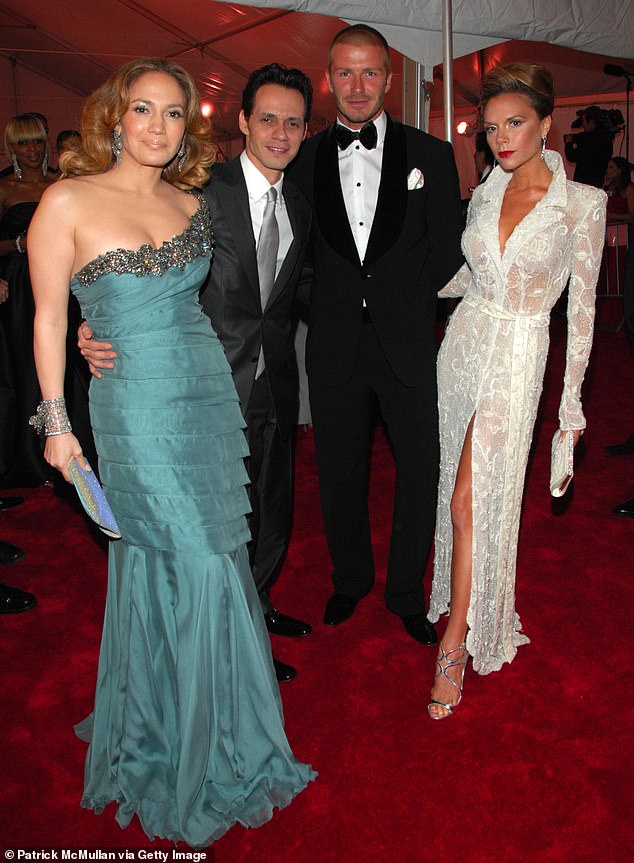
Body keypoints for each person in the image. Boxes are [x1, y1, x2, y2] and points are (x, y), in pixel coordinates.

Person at [28, 57, 314, 846]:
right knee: (191, 559)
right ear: (115, 115)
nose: (158, 127)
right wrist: (57, 423)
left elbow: (222, 301)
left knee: (216, 553)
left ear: (189, 124)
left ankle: (201, 724)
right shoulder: (67, 200)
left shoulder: (194, 203)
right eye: (144, 110)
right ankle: (187, 746)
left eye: (174, 113)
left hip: (205, 400)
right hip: (134, 411)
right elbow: (50, 318)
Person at [78, 63, 314, 683]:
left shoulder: (305, 205)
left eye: (293, 122)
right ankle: (221, 641)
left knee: (268, 502)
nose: (279, 132)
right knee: (208, 527)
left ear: (305, 131)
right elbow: (140, 269)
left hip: (274, 381)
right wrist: (95, 325)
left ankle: (255, 607)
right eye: (267, 117)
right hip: (200, 388)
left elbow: (305, 291)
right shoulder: (200, 192)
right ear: (242, 121)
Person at [427, 64, 606, 719]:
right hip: (466, 342)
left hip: (521, 351)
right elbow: (470, 274)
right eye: (492, 126)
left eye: (516, 123)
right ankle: (460, 599)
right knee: (456, 487)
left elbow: (582, 313)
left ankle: (459, 639)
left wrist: (572, 411)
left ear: (546, 122)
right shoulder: (485, 190)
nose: (501, 137)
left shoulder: (582, 205)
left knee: (471, 499)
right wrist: (399, 296)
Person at [287, 25, 464, 644]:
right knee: (338, 469)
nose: (357, 87)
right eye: (344, 73)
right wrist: (328, 302)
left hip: (408, 339)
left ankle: (406, 592)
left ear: (391, 79)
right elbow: (294, 257)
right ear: (327, 78)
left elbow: (447, 250)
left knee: (421, 467)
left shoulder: (433, 155)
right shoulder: (303, 159)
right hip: (334, 339)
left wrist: (403, 300)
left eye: (370, 73)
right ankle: (351, 579)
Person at [0, 114, 56, 486]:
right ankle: (26, 457)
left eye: (37, 141)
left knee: (60, 366)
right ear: (12, 148)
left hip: (59, 282)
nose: (32, 150)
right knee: (24, 367)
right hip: (19, 285)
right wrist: (22, 244)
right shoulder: (4, 188)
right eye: (24, 143)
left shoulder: (61, 183)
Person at [564, 105, 612, 188]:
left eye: (584, 122)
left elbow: (572, 156)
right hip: (597, 183)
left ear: (592, 122)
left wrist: (568, 143)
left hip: (585, 185)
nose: (583, 125)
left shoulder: (590, 140)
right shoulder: (606, 139)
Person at [604, 156, 634, 220]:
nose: (607, 170)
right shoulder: (610, 186)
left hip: (622, 225)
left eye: (611, 167)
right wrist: (605, 185)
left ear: (620, 170)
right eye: (607, 167)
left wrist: (611, 215)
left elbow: (632, 215)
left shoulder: (629, 188)